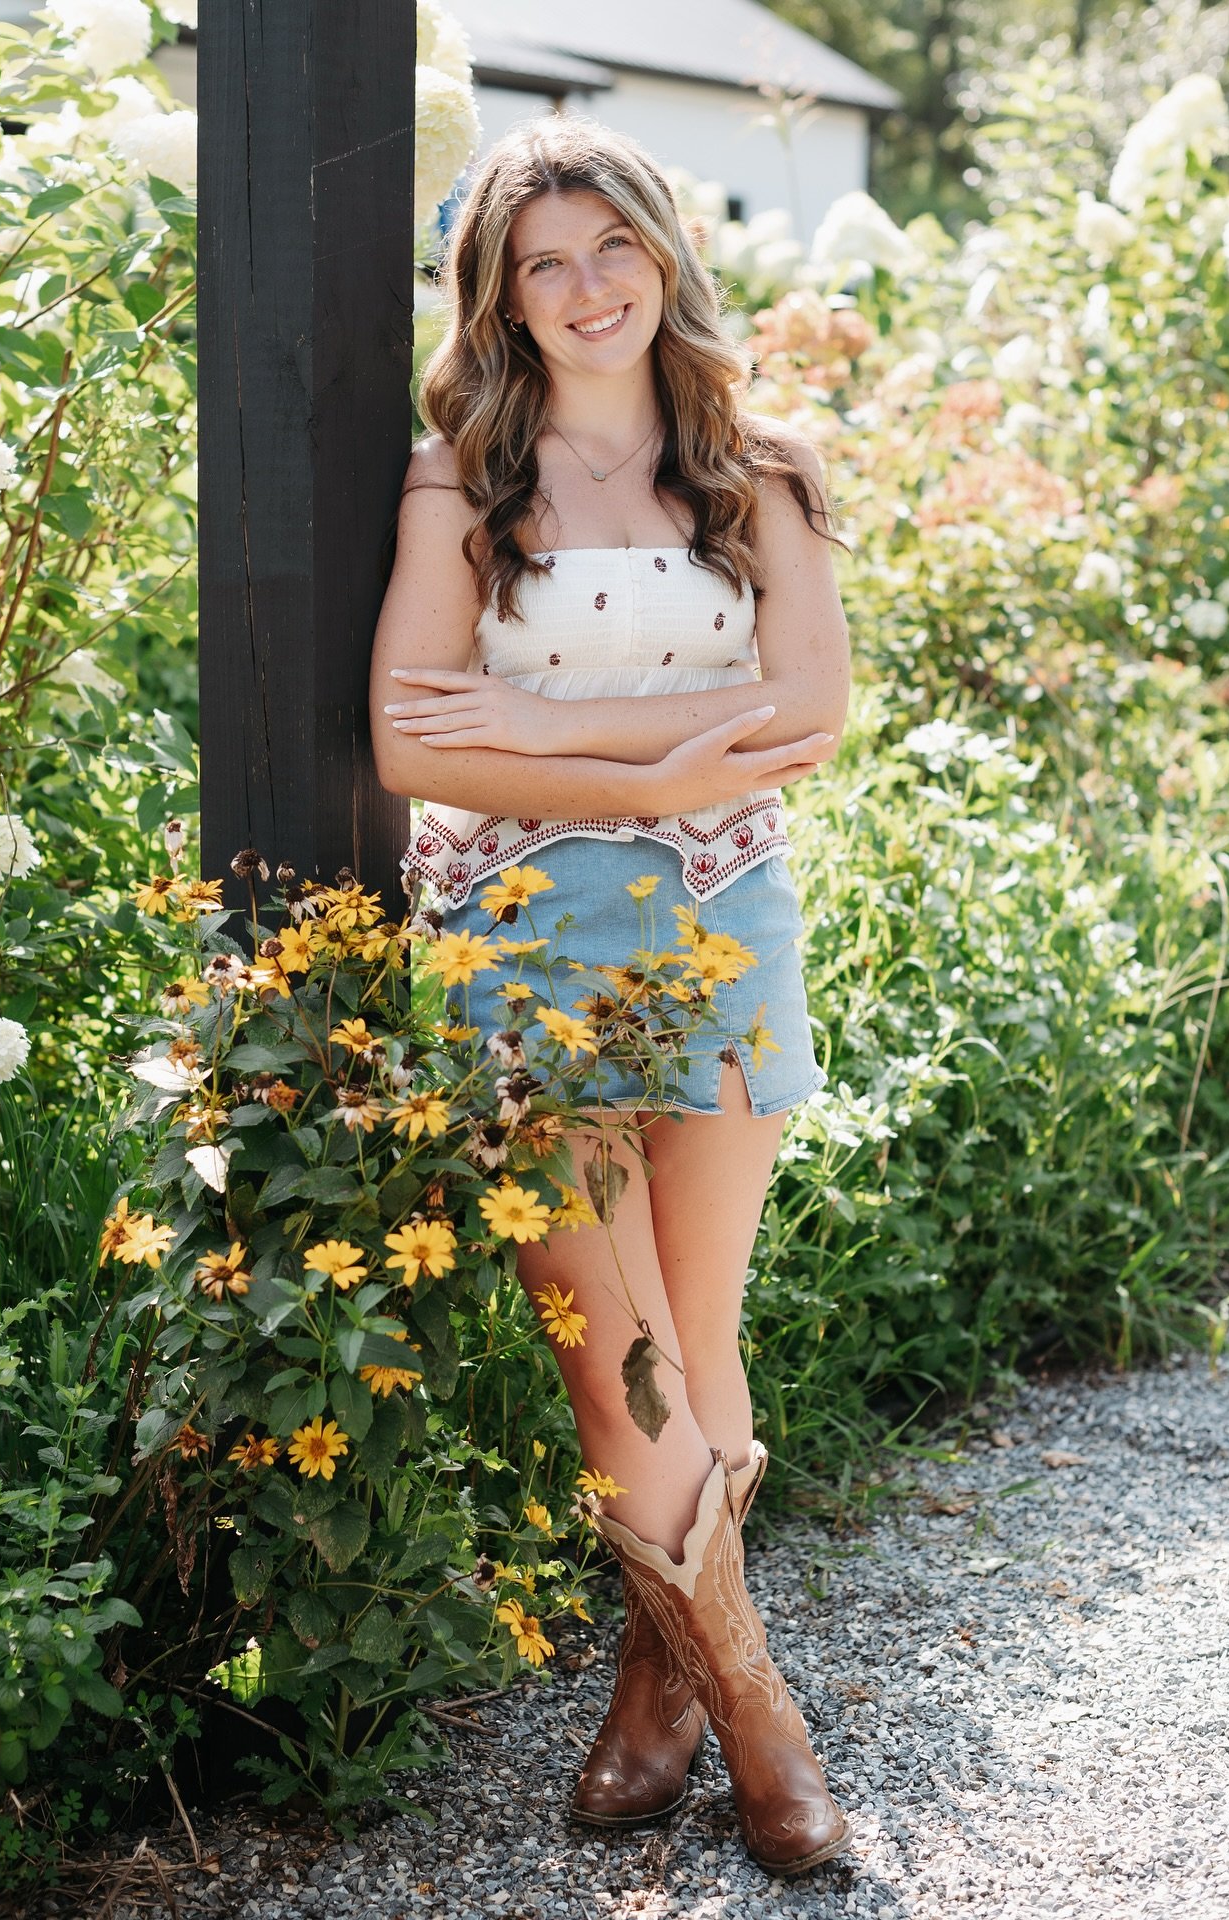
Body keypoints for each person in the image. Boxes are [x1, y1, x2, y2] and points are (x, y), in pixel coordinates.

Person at [368, 116, 853, 1876]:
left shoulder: (763, 469)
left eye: (609, 246)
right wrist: (664, 768)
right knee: (617, 1370)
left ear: (662, 251)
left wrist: (566, 745)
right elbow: (413, 735)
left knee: (696, 1349)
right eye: (540, 260)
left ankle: (656, 1694)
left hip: (730, 927)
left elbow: (805, 715)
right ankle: (760, 1720)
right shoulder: (460, 480)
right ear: (498, 294)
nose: (585, 288)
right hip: (511, 945)